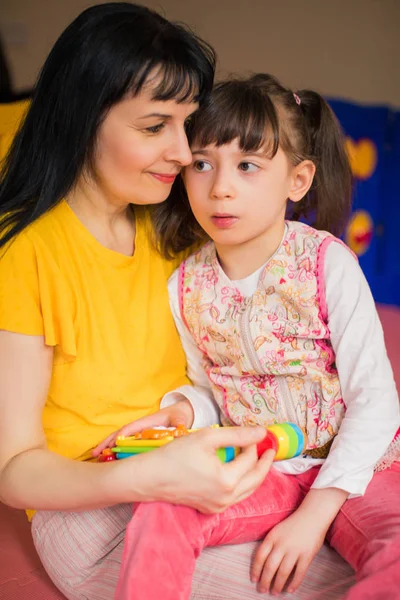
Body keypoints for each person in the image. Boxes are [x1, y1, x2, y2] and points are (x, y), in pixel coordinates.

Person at [0, 7, 276, 600]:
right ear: (82, 122)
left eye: (188, 124)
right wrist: (150, 476)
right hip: (86, 499)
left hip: (193, 463)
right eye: (155, 127)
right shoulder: (27, 253)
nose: (182, 152)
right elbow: (13, 468)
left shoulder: (176, 226)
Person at [98, 75, 400, 599]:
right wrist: (182, 413)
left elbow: (375, 401)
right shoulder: (186, 285)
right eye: (202, 163)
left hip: (361, 469)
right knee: (163, 510)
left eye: (248, 165)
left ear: (297, 180)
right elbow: (214, 392)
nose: (221, 187)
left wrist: (315, 515)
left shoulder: (327, 263)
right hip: (262, 469)